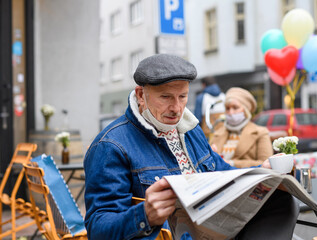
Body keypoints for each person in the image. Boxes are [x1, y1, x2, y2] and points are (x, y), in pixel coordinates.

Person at [84, 54, 299, 240]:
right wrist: (145, 215)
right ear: (141, 95)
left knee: (281, 200)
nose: (176, 108)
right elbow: (98, 229)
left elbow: (223, 173)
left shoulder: (191, 130)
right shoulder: (110, 145)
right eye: (166, 97)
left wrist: (262, 175)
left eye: (183, 96)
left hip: (213, 230)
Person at [210, 87, 274, 168]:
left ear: (246, 111)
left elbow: (266, 163)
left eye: (235, 107)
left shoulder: (261, 132)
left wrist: (232, 163)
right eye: (227, 108)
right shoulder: (217, 132)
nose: (230, 112)